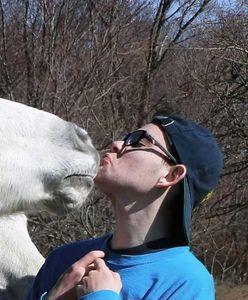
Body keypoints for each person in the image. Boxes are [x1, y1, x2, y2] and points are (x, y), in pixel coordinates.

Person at [27, 115, 224, 300]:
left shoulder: (186, 283)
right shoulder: (63, 260)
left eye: (139, 140)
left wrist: (100, 296)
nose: (117, 144)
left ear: (171, 175)